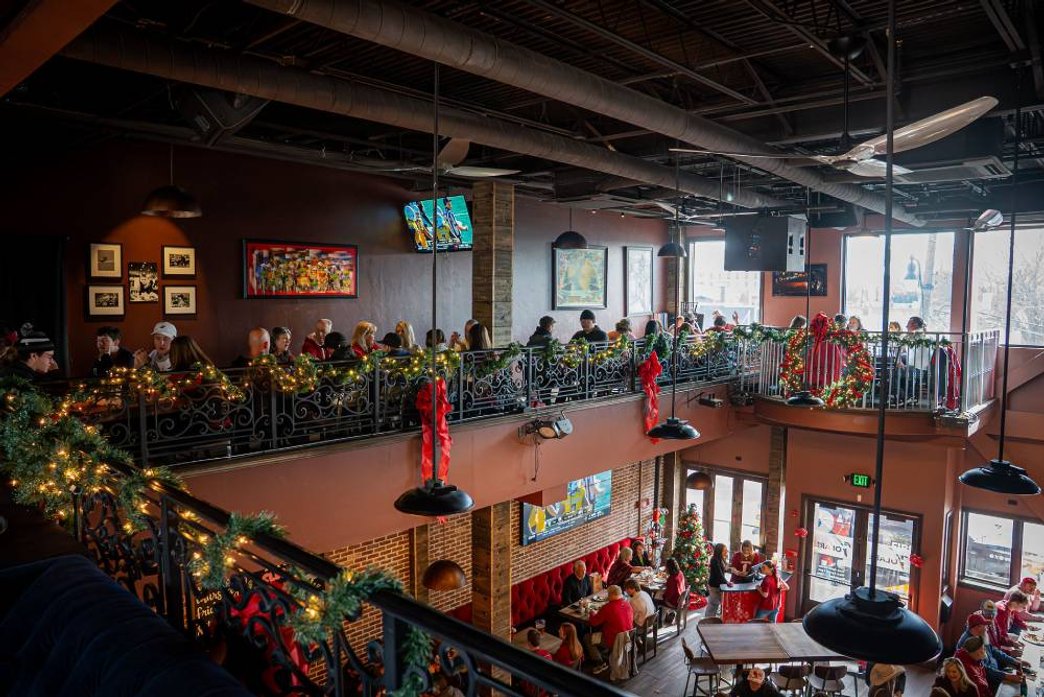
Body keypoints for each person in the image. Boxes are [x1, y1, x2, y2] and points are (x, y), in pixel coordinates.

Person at [959, 612, 1020, 691]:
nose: (986, 628)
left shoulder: (980, 635)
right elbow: (983, 670)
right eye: (984, 626)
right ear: (977, 627)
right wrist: (1006, 676)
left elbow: (993, 650)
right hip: (987, 679)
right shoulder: (969, 643)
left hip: (996, 671)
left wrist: (1013, 661)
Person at [586, 585, 633, 674]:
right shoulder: (627, 604)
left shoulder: (608, 607)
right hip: (627, 637)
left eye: (608, 594)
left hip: (613, 640)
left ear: (611, 595)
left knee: (587, 638)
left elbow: (594, 622)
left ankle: (600, 663)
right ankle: (605, 653)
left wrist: (592, 612)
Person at [705, 543, 732, 618]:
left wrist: (730, 566)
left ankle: (714, 619)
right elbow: (719, 574)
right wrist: (727, 582)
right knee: (713, 604)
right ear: (719, 551)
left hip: (719, 585)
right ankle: (707, 620)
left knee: (718, 603)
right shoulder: (714, 560)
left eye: (726, 550)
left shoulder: (721, 558)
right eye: (724, 550)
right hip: (714, 585)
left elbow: (724, 569)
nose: (726, 552)